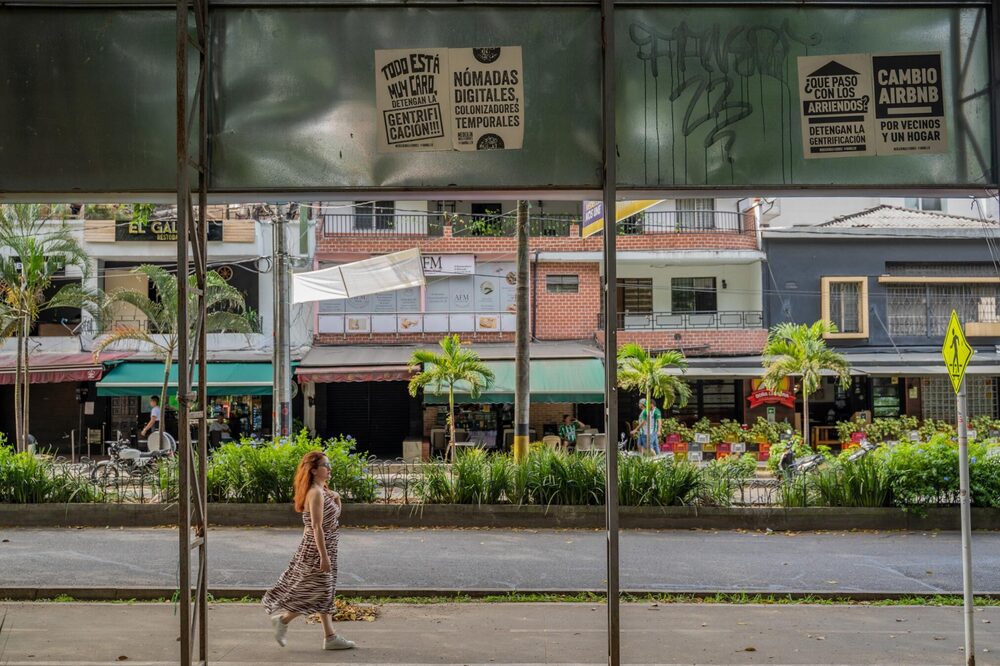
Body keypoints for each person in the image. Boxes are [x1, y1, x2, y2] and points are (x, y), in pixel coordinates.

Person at [264, 451, 354, 651]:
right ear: (313, 470)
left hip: (326, 546)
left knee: (323, 591)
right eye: (325, 465)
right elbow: (316, 527)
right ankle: (283, 620)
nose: (329, 468)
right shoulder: (315, 493)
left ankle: (330, 637)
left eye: (329, 465)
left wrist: (337, 499)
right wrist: (323, 556)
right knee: (317, 591)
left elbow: (332, 519)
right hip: (316, 549)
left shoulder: (322, 491)